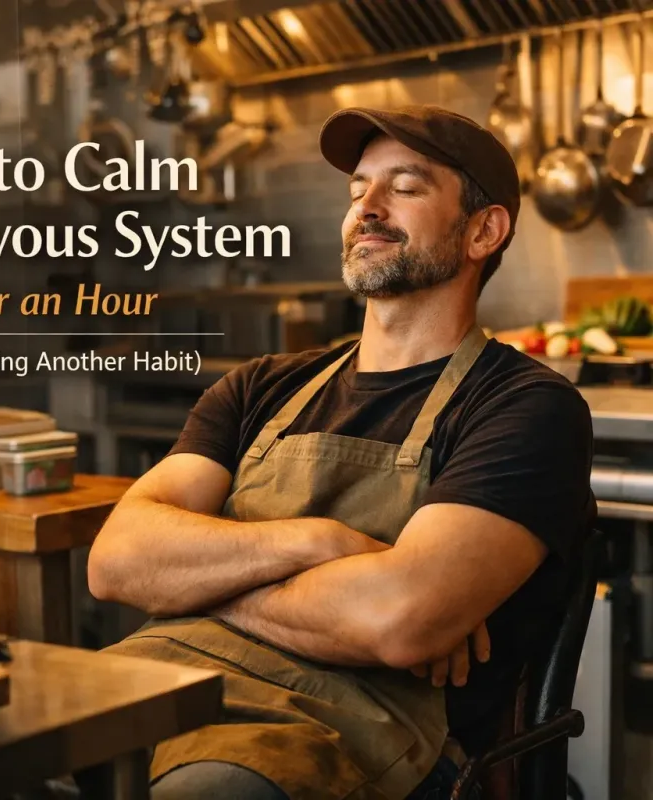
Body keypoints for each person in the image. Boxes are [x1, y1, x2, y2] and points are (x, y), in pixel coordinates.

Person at [88, 106, 595, 800]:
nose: (368, 208)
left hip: (344, 734)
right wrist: (321, 543)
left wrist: (201, 586)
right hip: (163, 675)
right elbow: (117, 560)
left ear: (484, 231)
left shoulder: (524, 407)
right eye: (358, 190)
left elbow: (399, 621)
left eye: (405, 187)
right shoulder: (259, 386)